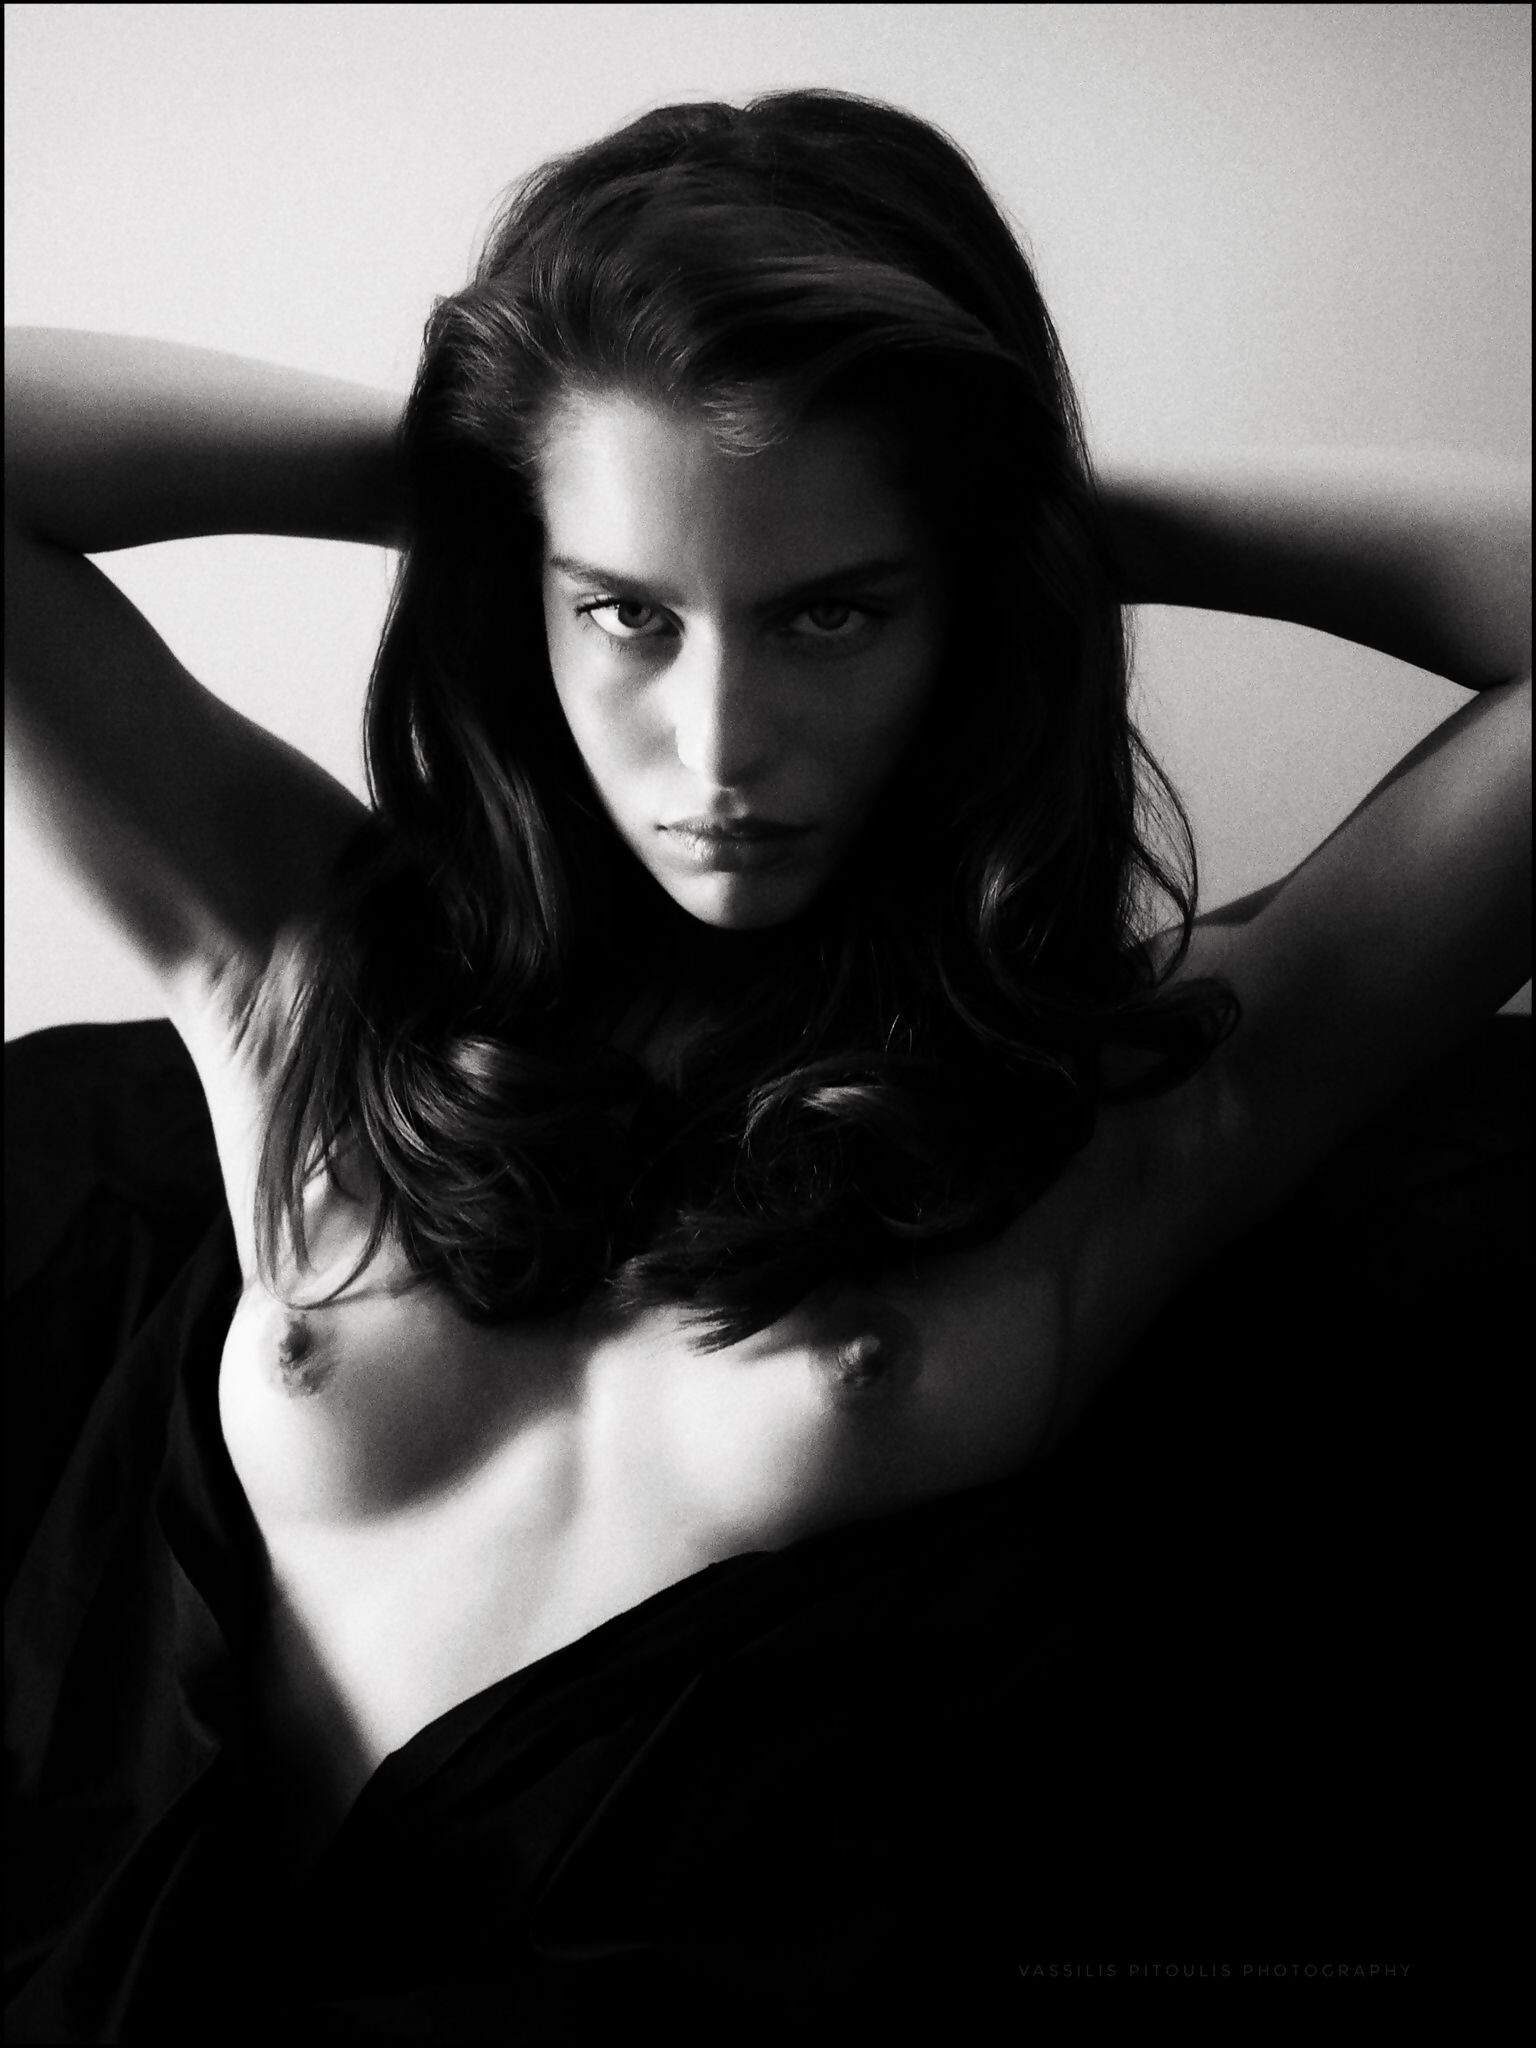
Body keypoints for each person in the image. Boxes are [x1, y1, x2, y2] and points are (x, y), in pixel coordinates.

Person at [5, 88, 1529, 2037]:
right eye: (628, 614)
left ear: (963, 611)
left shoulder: (1122, 1112)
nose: (722, 745)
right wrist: (492, 467)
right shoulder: (300, 964)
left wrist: (1039, 518)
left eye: (832, 611)